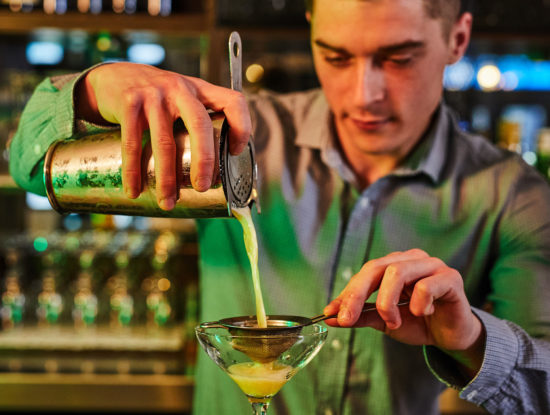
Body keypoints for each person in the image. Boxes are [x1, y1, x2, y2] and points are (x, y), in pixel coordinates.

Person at [8, 0, 550, 413]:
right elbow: (28, 165)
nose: (364, 94)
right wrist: (89, 91)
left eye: (398, 58)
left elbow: (542, 389)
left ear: (458, 39)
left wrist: (471, 338)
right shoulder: (236, 136)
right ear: (311, 27)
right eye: (335, 56)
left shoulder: (512, 193)